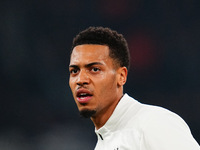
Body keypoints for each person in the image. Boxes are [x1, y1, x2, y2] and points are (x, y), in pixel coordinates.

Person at [68, 26, 200, 150]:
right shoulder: (104, 143)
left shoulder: (153, 123)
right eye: (74, 71)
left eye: (95, 69)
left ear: (121, 76)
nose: (81, 80)